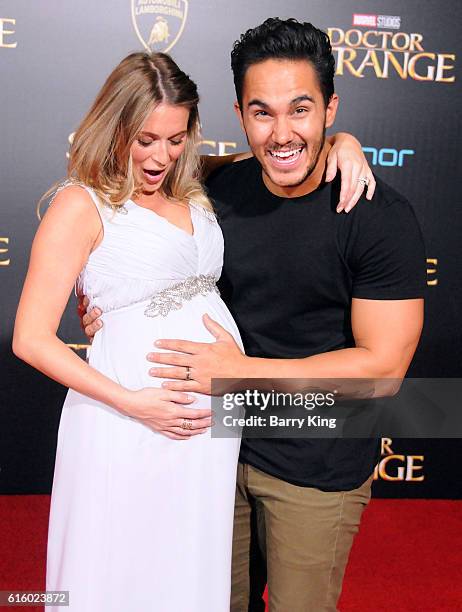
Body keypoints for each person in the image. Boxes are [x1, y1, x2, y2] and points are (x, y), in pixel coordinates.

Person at [84, 19, 426, 611]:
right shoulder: (218, 188)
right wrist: (106, 305)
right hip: (214, 450)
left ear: (330, 109)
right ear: (240, 114)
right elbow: (123, 229)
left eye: (301, 109)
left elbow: (383, 370)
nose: (282, 132)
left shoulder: (377, 216)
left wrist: (241, 373)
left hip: (316, 459)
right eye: (262, 112)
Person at [13, 49, 373, 611]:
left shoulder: (197, 187)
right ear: (115, 127)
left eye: (176, 138)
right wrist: (134, 403)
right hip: (126, 417)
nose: (161, 155)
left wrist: (342, 142)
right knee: (120, 569)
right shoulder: (80, 206)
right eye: (145, 139)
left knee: (189, 569)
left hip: (208, 432)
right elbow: (29, 338)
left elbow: (274, 154)